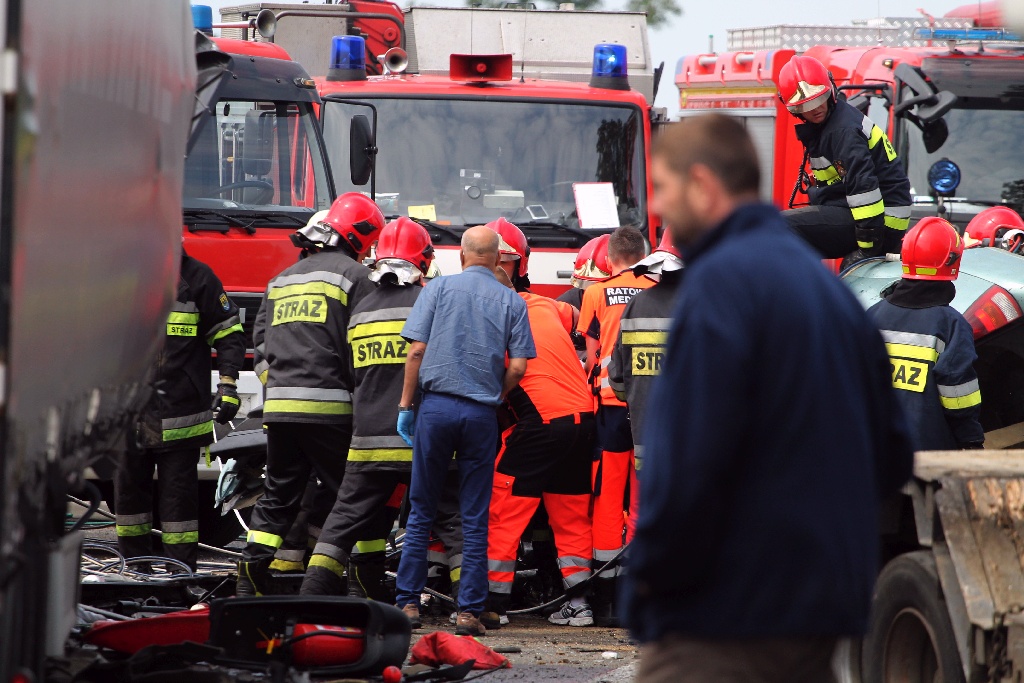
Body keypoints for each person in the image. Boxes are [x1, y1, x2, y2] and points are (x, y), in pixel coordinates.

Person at [627, 114, 914, 683]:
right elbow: (892, 457)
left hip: (727, 615)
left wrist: (647, 591)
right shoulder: (832, 294)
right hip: (822, 612)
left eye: (663, 188)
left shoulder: (719, 287)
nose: (660, 208)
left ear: (703, 185)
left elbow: (686, 468)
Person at [300, 217, 463, 604]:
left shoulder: (360, 308)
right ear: (423, 260)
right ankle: (469, 606)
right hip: (420, 440)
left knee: (341, 524)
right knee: (452, 523)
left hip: (367, 441)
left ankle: (309, 595)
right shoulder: (433, 301)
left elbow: (351, 374)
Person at [235, 193, 385, 596]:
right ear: (362, 237)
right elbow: (363, 346)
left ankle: (250, 579)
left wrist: (281, 388)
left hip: (280, 409)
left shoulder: (281, 279)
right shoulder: (356, 278)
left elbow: (260, 348)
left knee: (280, 493)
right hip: (332, 411)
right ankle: (363, 583)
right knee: (354, 495)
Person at [394, 227, 535, 637]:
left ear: (461, 256)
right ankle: (469, 613)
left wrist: (406, 406)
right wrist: (494, 393)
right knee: (475, 516)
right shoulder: (511, 300)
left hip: (435, 410)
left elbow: (416, 350)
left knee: (421, 509)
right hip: (480, 415)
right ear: (495, 260)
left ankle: (407, 605)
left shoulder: (437, 290)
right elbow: (519, 367)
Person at [481, 220, 596, 629]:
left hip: (540, 424)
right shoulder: (546, 305)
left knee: (504, 509)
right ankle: (579, 603)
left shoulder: (489, 318)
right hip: (585, 422)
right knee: (570, 515)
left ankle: (493, 603)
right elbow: (580, 317)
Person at [115, 249, 245, 572]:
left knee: (179, 511)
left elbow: (229, 335)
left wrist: (228, 385)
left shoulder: (199, 279)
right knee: (129, 509)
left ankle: (179, 578)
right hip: (127, 419)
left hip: (180, 420)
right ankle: (132, 573)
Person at [576, 225, 653, 624]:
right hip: (648, 410)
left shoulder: (595, 291)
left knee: (607, 500)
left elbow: (590, 357)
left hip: (608, 409)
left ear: (608, 258)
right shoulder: (658, 285)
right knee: (641, 500)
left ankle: (605, 600)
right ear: (644, 253)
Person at [779, 55, 912, 264]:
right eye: (805, 105)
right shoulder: (833, 123)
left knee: (779, 227)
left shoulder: (842, 131)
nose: (815, 108)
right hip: (875, 217)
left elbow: (864, 190)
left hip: (881, 221)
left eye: (818, 98)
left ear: (831, 91)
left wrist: (867, 251)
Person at [867, 217, 984, 450]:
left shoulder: (872, 316)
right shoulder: (951, 325)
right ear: (951, 261)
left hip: (873, 459)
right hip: (926, 462)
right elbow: (959, 399)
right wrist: (971, 440)